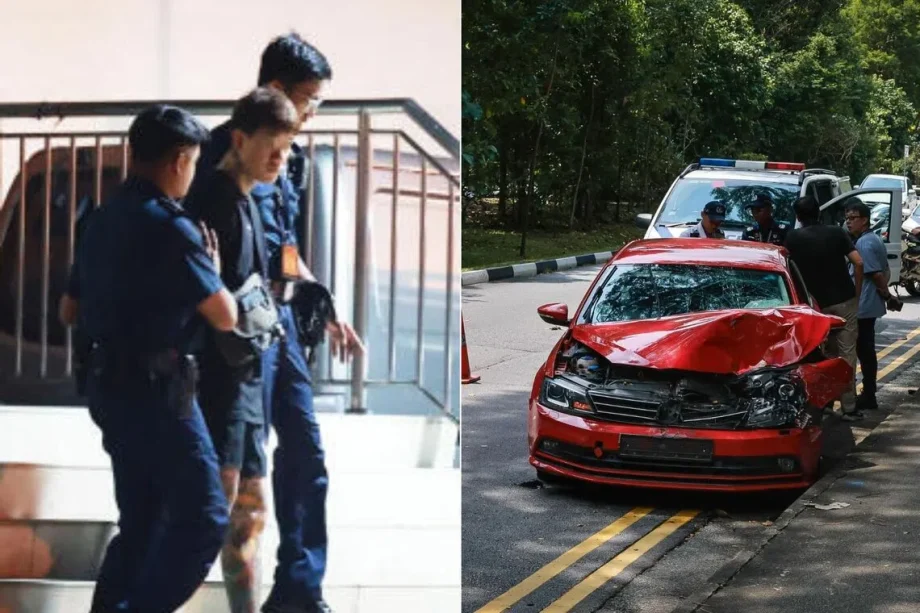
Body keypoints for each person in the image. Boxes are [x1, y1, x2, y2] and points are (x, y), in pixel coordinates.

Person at [194, 33, 363, 613]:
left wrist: (323, 302)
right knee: (239, 478)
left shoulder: (288, 160)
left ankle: (299, 590)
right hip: (235, 337)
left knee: (307, 454)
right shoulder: (217, 156)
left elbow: (286, 247)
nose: (313, 112)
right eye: (309, 98)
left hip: (282, 324)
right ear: (275, 88)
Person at [60, 105, 237, 612]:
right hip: (158, 389)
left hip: (107, 386)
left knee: (141, 521)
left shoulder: (99, 219)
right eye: (193, 162)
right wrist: (210, 267)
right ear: (180, 160)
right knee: (204, 516)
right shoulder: (173, 227)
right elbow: (225, 316)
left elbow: (68, 310)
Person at [185, 87, 301, 613]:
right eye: (271, 144)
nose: (280, 157)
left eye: (288, 146)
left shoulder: (251, 198)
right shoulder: (213, 201)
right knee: (210, 517)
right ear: (239, 139)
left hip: (246, 380)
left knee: (250, 514)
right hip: (216, 383)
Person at [785, 196, 864, 420]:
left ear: (798, 216)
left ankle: (825, 401)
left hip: (814, 306)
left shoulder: (792, 238)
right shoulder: (837, 233)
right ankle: (849, 407)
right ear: (819, 212)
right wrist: (857, 294)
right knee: (847, 352)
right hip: (844, 300)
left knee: (824, 354)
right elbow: (858, 262)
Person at [845, 199, 903, 414]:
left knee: (864, 350)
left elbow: (876, 274)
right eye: (847, 218)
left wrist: (888, 296)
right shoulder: (871, 239)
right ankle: (868, 392)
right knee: (865, 349)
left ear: (864, 220)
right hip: (867, 304)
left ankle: (869, 394)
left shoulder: (864, 244)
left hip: (863, 306)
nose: (848, 222)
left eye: (853, 218)